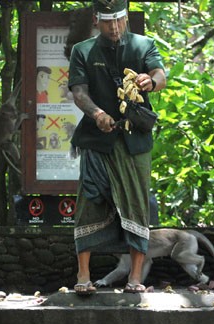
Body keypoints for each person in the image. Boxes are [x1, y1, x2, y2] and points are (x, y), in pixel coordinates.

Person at [67, 0, 166, 294]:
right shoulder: (82, 50)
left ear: (126, 18)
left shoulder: (143, 45)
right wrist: (97, 114)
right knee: (89, 200)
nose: (115, 27)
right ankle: (83, 275)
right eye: (108, 21)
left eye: (119, 20)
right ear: (96, 20)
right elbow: (79, 92)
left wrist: (151, 81)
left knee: (137, 203)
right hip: (97, 139)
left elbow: (160, 74)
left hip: (135, 141)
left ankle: (135, 277)